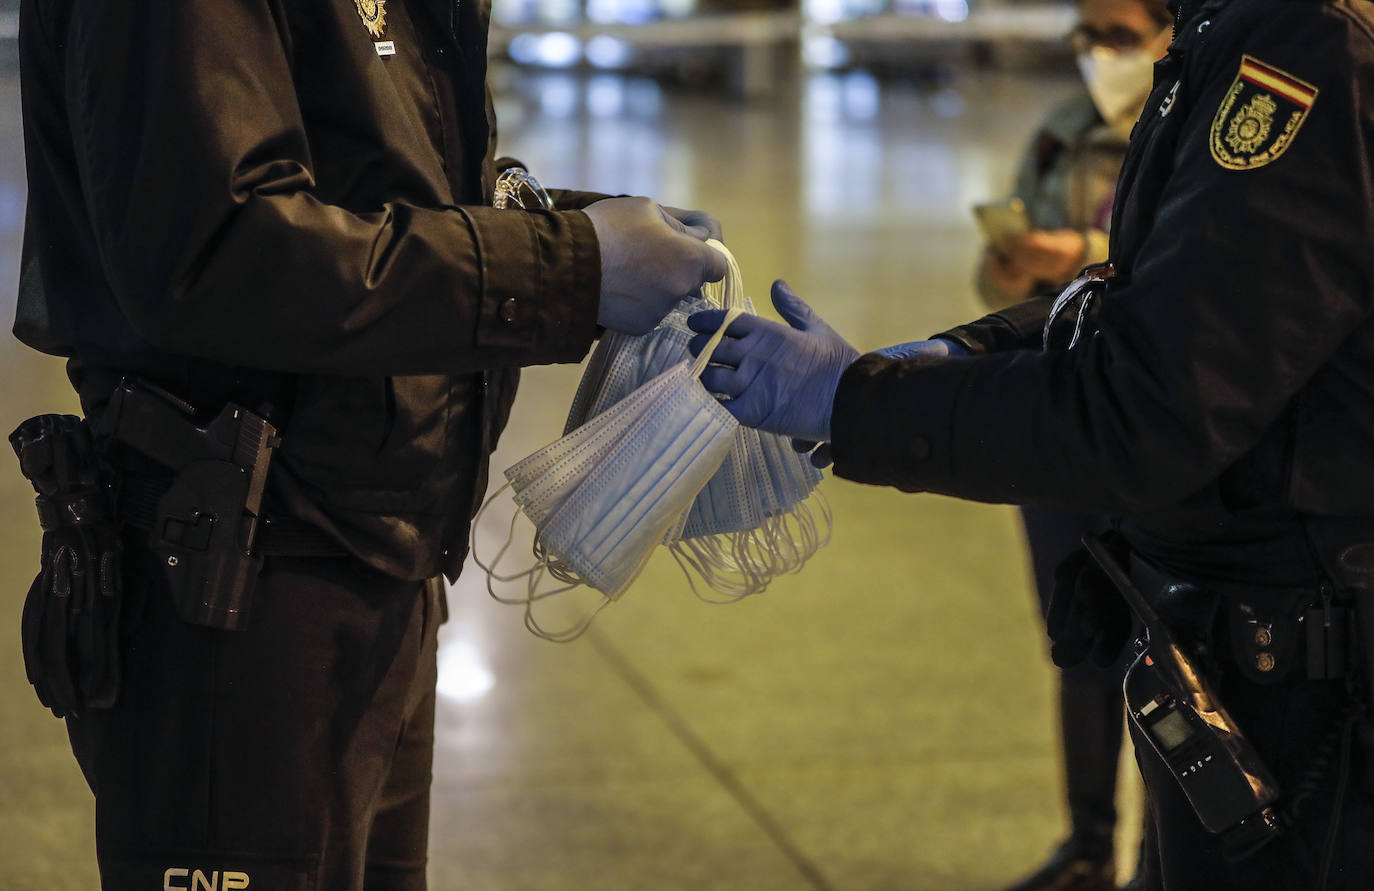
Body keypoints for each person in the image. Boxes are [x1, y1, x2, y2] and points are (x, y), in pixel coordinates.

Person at [10, 2, 726, 889]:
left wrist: (582, 232)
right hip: (240, 579)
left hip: (375, 546)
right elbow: (217, 249)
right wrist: (571, 267)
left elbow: (381, 179)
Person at [687, 0, 1374, 886]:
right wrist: (957, 354)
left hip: (1307, 702)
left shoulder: (1304, 45)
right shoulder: (1228, 30)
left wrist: (853, 404)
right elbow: (1146, 291)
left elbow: (1148, 407)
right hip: (1240, 667)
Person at [979, 2, 1171, 888]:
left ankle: (1166, 858)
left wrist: (1083, 252)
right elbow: (993, 273)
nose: (1101, 54)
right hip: (1060, 416)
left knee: (1168, 655)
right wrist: (1013, 266)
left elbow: (1187, 259)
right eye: (1088, 35)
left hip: (1154, 423)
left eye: (1121, 35)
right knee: (1079, 639)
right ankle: (1089, 846)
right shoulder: (1061, 135)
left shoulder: (1194, 122)